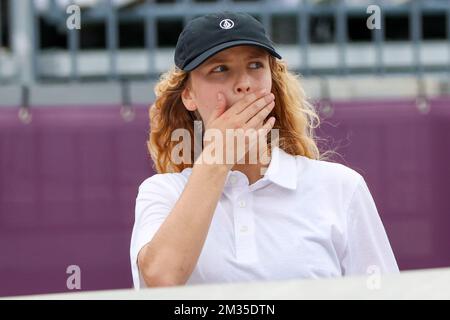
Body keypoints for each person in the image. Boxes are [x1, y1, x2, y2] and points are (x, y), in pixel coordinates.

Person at [130, 11, 399, 288]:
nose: (244, 82)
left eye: (256, 65)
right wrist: (217, 159)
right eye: (220, 69)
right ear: (189, 95)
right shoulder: (161, 192)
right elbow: (161, 279)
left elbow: (386, 293)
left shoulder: (341, 186)